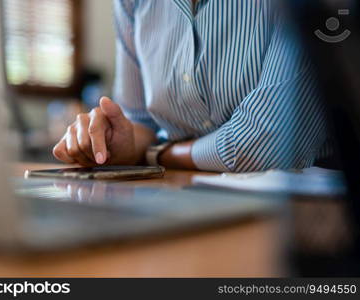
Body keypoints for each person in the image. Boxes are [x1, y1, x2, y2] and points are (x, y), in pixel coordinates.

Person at [53, 0, 330, 173]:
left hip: (303, 216)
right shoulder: (131, 3)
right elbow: (140, 121)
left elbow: (260, 145)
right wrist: (117, 142)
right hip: (181, 196)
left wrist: (157, 155)